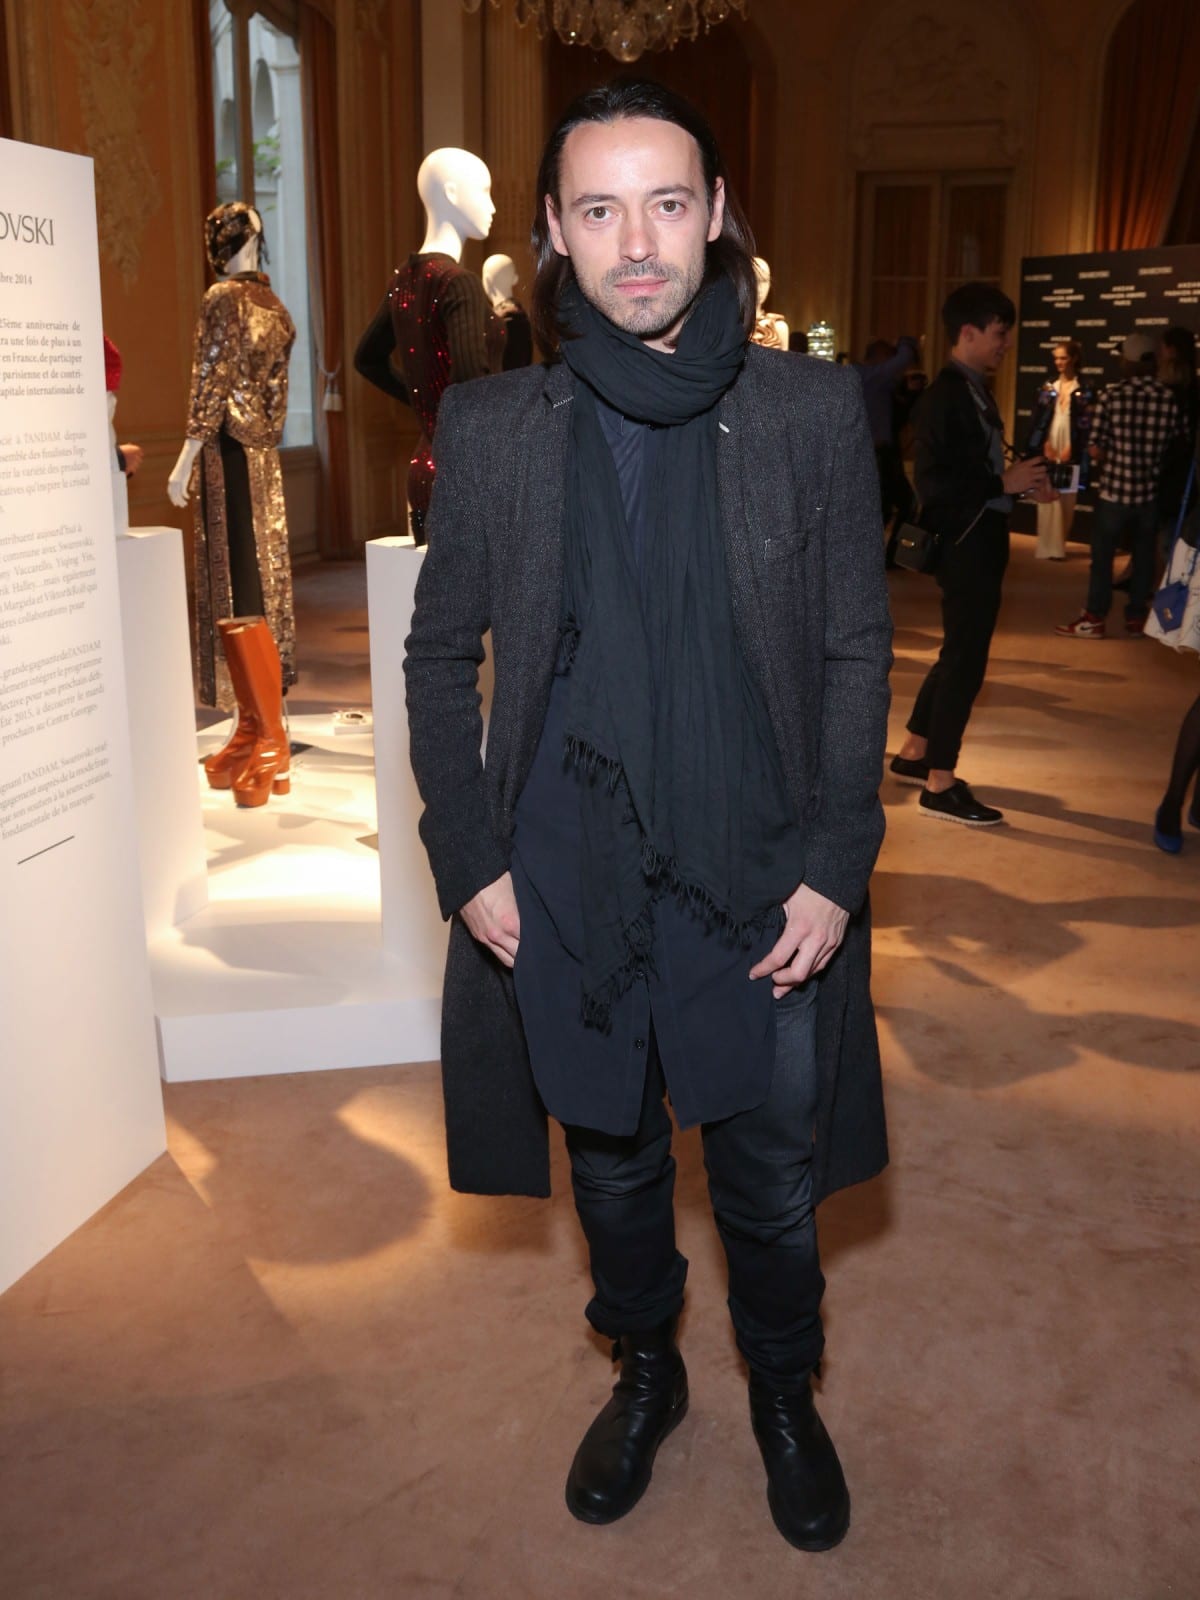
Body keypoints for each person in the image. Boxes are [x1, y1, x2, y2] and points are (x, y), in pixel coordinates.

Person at [404, 80, 893, 1554]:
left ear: (717, 213)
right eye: (601, 209)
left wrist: (836, 866)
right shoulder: (497, 425)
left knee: (769, 1179)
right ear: (553, 232)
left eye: (667, 204)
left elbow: (854, 649)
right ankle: (647, 1370)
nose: (637, 244)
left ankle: (785, 1392)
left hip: (762, 876)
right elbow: (436, 655)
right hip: (566, 875)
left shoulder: (809, 412)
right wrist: (467, 856)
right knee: (609, 1167)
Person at [890, 283, 1050, 825]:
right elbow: (935, 486)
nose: (1006, 344)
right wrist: (1003, 482)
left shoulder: (968, 389)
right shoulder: (946, 396)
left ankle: (916, 751)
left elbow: (973, 473)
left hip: (977, 540)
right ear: (968, 332)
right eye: (1000, 333)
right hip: (966, 546)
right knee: (966, 660)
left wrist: (1017, 485)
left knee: (959, 651)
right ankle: (940, 782)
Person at [1056, 332, 1184, 640]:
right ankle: (1136, 618)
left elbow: (1095, 448)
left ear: (1129, 361)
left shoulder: (1113, 395)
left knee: (1102, 558)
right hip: (1149, 494)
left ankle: (1095, 617)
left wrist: (1110, 454)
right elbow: (1177, 444)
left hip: (1114, 492)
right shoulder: (1169, 398)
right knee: (1144, 558)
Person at [1026, 339, 1092, 559]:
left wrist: (1073, 447)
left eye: (1063, 358)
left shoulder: (1084, 389)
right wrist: (1044, 443)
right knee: (1047, 493)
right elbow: (1039, 419)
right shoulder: (1048, 387)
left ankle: (1059, 545)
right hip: (1050, 443)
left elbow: (1086, 423)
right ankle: (1047, 547)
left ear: (1073, 359)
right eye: (1056, 358)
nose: (1059, 362)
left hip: (1072, 446)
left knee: (1067, 498)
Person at [852, 335, 920, 540]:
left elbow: (898, 418)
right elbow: (905, 357)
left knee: (890, 508)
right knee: (887, 508)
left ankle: (886, 553)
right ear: (880, 357)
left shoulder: (876, 382)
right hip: (875, 455)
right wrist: (906, 341)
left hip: (881, 454)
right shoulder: (868, 376)